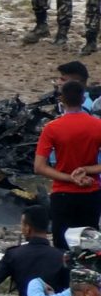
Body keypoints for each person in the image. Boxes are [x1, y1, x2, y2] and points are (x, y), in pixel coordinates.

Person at [37, 82, 101, 237]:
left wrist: (70, 178)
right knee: (88, 246)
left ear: (62, 99)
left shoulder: (52, 128)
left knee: (61, 245)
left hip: (62, 194)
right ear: (82, 99)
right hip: (91, 192)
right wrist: (87, 169)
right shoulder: (97, 125)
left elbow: (39, 167)